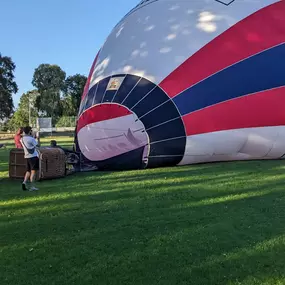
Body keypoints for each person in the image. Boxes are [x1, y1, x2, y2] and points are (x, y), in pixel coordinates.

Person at [20, 126, 40, 191]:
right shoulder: (31, 139)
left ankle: (24, 182)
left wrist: (33, 136)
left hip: (27, 157)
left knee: (28, 171)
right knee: (33, 172)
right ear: (30, 131)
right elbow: (38, 145)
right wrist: (37, 138)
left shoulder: (22, 139)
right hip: (33, 157)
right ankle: (32, 187)